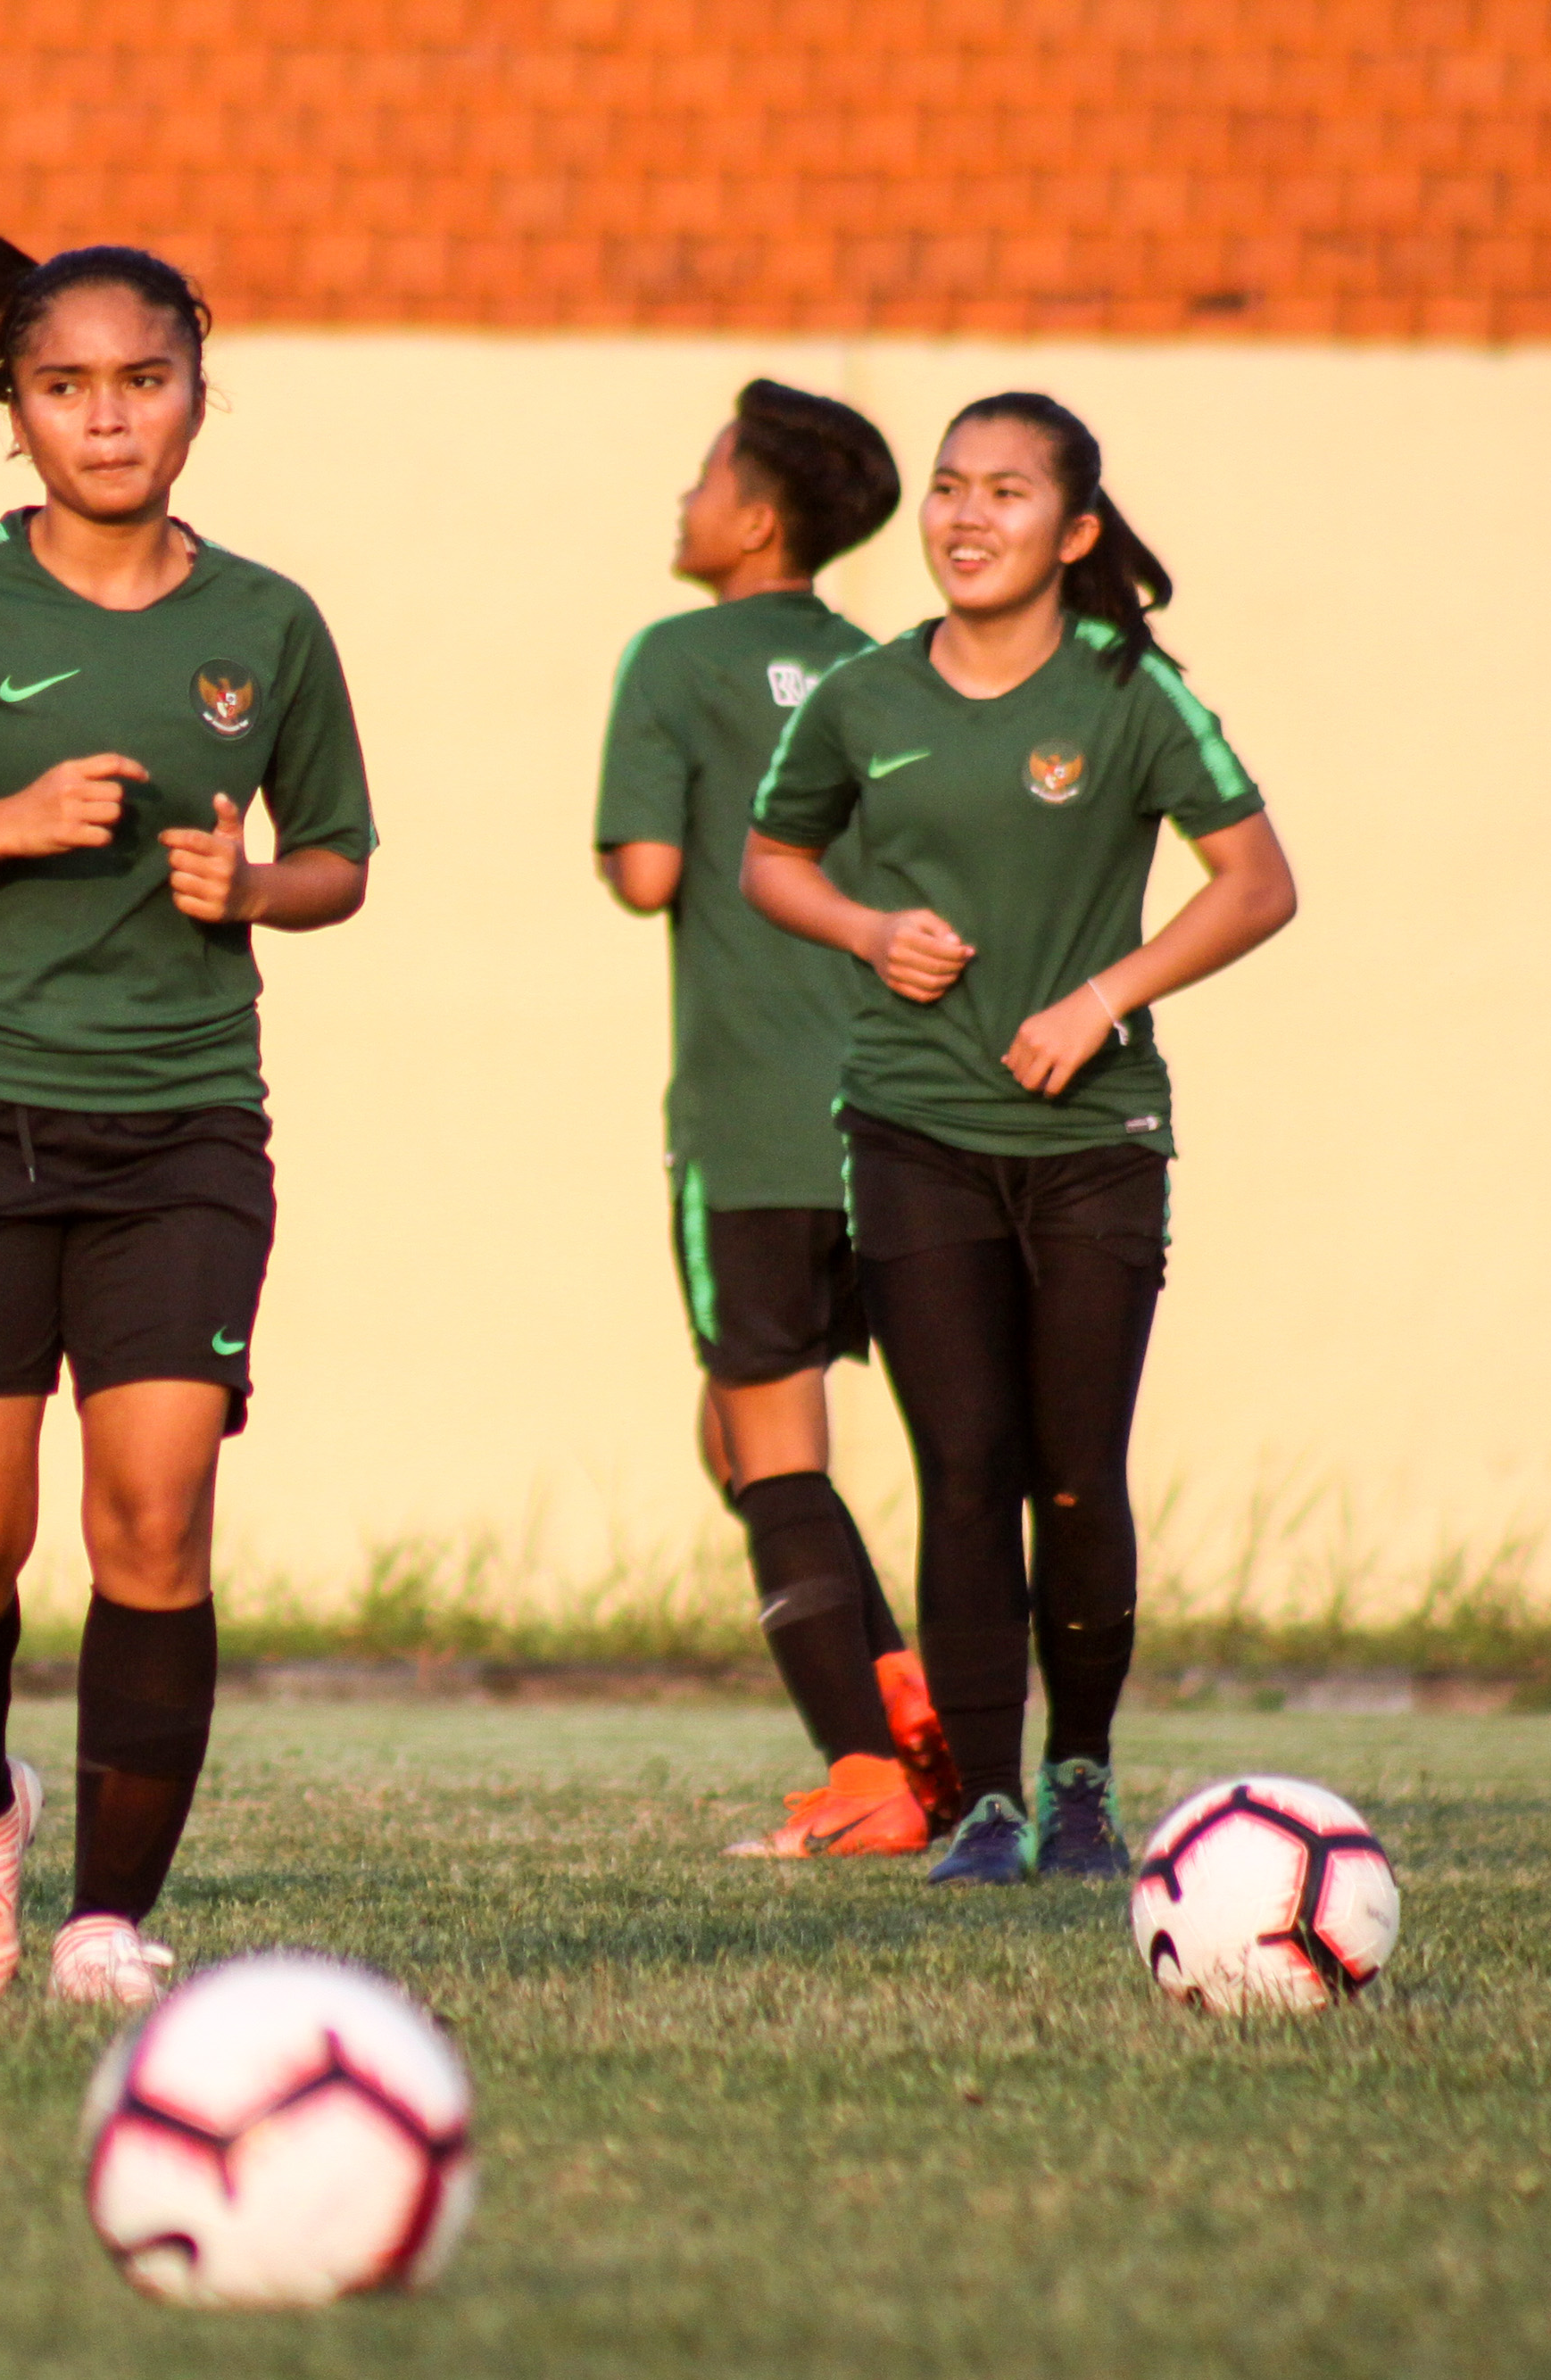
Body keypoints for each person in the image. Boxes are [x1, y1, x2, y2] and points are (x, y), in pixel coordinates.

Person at [0, 200, 377, 2008]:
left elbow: (340, 856)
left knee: (153, 1524)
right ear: (14, 407)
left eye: (141, 380)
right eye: (63, 386)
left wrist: (251, 892)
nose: (105, 418)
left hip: (181, 1125)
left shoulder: (265, 622)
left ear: (199, 391)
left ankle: (107, 1920)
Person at [742, 391, 1297, 1887]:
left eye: (1004, 493)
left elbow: (1256, 882)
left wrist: (1101, 999)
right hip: (914, 1131)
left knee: (1075, 1472)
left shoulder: (1129, 691)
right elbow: (769, 861)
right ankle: (984, 1803)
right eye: (946, 489)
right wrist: (867, 930)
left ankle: (1081, 1787)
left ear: (1076, 531)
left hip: (1098, 1137)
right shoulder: (859, 696)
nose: (966, 518)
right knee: (966, 1467)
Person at [593, 381, 958, 1859]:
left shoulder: (675, 658)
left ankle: (869, 1777)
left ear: (753, 521)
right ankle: (916, 1719)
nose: (680, 496)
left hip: (747, 1126)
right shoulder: (889, 673)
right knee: (749, 1441)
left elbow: (644, 870)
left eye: (701, 474)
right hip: (891, 1114)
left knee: (773, 1451)